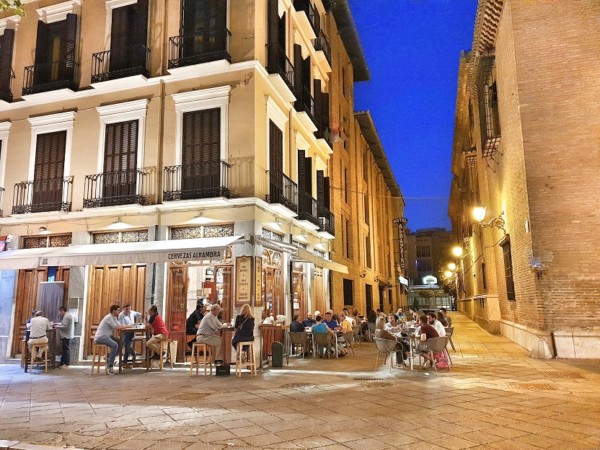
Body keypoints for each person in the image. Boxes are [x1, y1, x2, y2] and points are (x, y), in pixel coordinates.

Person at [94, 305, 126, 374]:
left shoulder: (114, 318)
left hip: (108, 336)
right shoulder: (108, 317)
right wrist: (129, 326)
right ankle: (109, 366)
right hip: (101, 337)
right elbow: (116, 327)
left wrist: (126, 326)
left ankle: (109, 357)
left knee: (122, 343)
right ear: (113, 311)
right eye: (118, 310)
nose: (119, 312)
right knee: (115, 345)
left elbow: (119, 325)